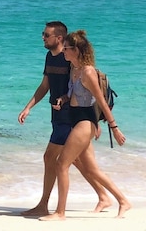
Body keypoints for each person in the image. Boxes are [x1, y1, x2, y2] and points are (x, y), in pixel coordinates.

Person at [18, 21, 110, 216]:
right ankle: (105, 196)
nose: (43, 37)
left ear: (58, 38)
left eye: (46, 35)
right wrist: (28, 107)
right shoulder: (49, 58)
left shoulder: (69, 57)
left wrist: (95, 120)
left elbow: (89, 89)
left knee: (51, 157)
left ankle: (46, 206)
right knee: (77, 161)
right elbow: (45, 86)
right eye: (43, 34)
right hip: (57, 115)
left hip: (71, 116)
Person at [40, 30, 130, 221]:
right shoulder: (74, 69)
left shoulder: (88, 72)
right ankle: (123, 201)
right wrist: (63, 99)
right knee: (91, 169)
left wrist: (114, 128)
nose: (64, 51)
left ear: (77, 50)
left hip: (85, 122)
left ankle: (60, 213)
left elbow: (101, 101)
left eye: (67, 49)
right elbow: (73, 95)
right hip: (75, 120)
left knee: (61, 164)